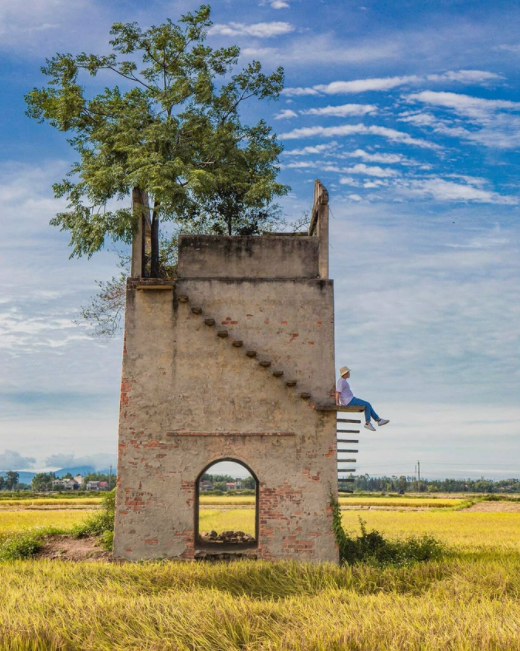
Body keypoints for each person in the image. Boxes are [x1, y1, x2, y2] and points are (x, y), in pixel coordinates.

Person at [335, 366, 389, 431]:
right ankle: (368, 423)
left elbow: (339, 392)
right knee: (367, 404)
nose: (349, 373)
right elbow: (338, 392)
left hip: (350, 399)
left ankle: (378, 420)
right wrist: (337, 403)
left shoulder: (342, 381)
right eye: (348, 372)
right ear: (345, 373)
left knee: (367, 405)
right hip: (349, 400)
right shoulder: (341, 382)